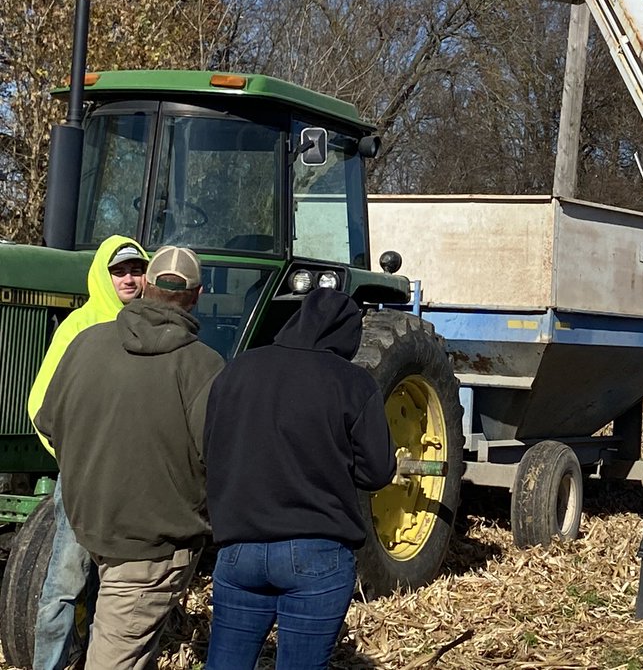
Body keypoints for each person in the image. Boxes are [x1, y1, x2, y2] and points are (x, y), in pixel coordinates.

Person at [35, 246, 224, 670]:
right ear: (198, 294)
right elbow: (219, 460)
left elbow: (49, 424)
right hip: (152, 549)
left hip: (91, 527)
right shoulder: (204, 366)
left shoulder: (85, 342)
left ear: (146, 286)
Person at [203, 288, 396, 670]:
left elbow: (212, 449)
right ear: (348, 333)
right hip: (316, 551)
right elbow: (377, 472)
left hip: (239, 548)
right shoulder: (352, 382)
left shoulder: (238, 368)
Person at [26, 235, 149, 670]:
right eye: (119, 272)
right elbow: (41, 403)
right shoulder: (80, 326)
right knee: (64, 583)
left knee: (116, 589)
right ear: (103, 275)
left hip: (134, 482)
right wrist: (73, 459)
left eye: (137, 270)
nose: (129, 279)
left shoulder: (153, 327)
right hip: (84, 479)